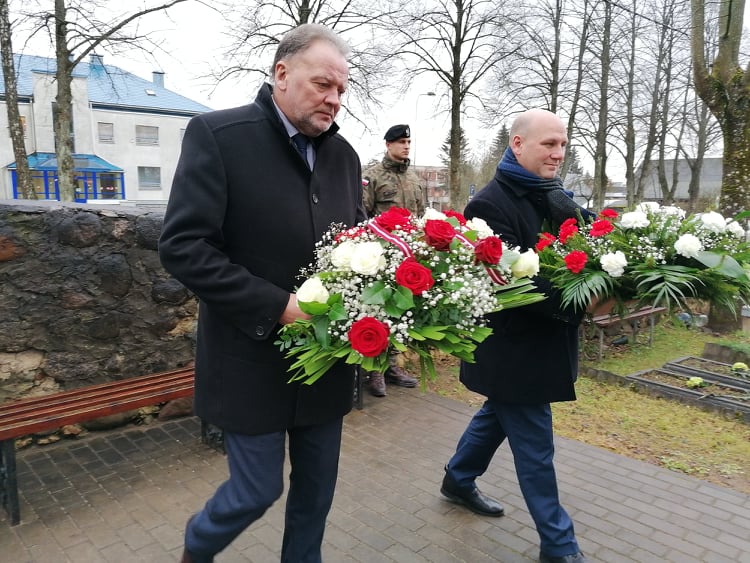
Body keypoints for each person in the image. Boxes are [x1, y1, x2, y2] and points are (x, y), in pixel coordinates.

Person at [158, 24, 366, 563]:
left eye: (341, 90)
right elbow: (184, 246)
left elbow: (359, 244)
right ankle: (197, 547)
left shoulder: (344, 157)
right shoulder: (219, 135)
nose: (334, 99)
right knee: (256, 490)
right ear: (282, 73)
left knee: (316, 494)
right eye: (323, 84)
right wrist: (278, 306)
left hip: (325, 362)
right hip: (249, 361)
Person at [439, 109, 593, 563]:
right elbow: (515, 284)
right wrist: (585, 303)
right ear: (519, 144)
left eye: (562, 144)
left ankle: (458, 480)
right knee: (535, 448)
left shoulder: (554, 196)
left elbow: (583, 250)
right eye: (549, 144)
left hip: (540, 343)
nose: (558, 154)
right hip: (512, 349)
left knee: (495, 417)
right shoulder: (489, 205)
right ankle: (559, 546)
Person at [360, 124, 425, 396]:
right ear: (388, 144)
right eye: (400, 142)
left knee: (401, 311)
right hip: (381, 256)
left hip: (408, 258)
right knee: (379, 312)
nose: (406, 146)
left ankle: (392, 365)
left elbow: (420, 217)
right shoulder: (371, 176)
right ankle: (374, 370)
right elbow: (362, 216)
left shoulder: (415, 178)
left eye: (408, 142)